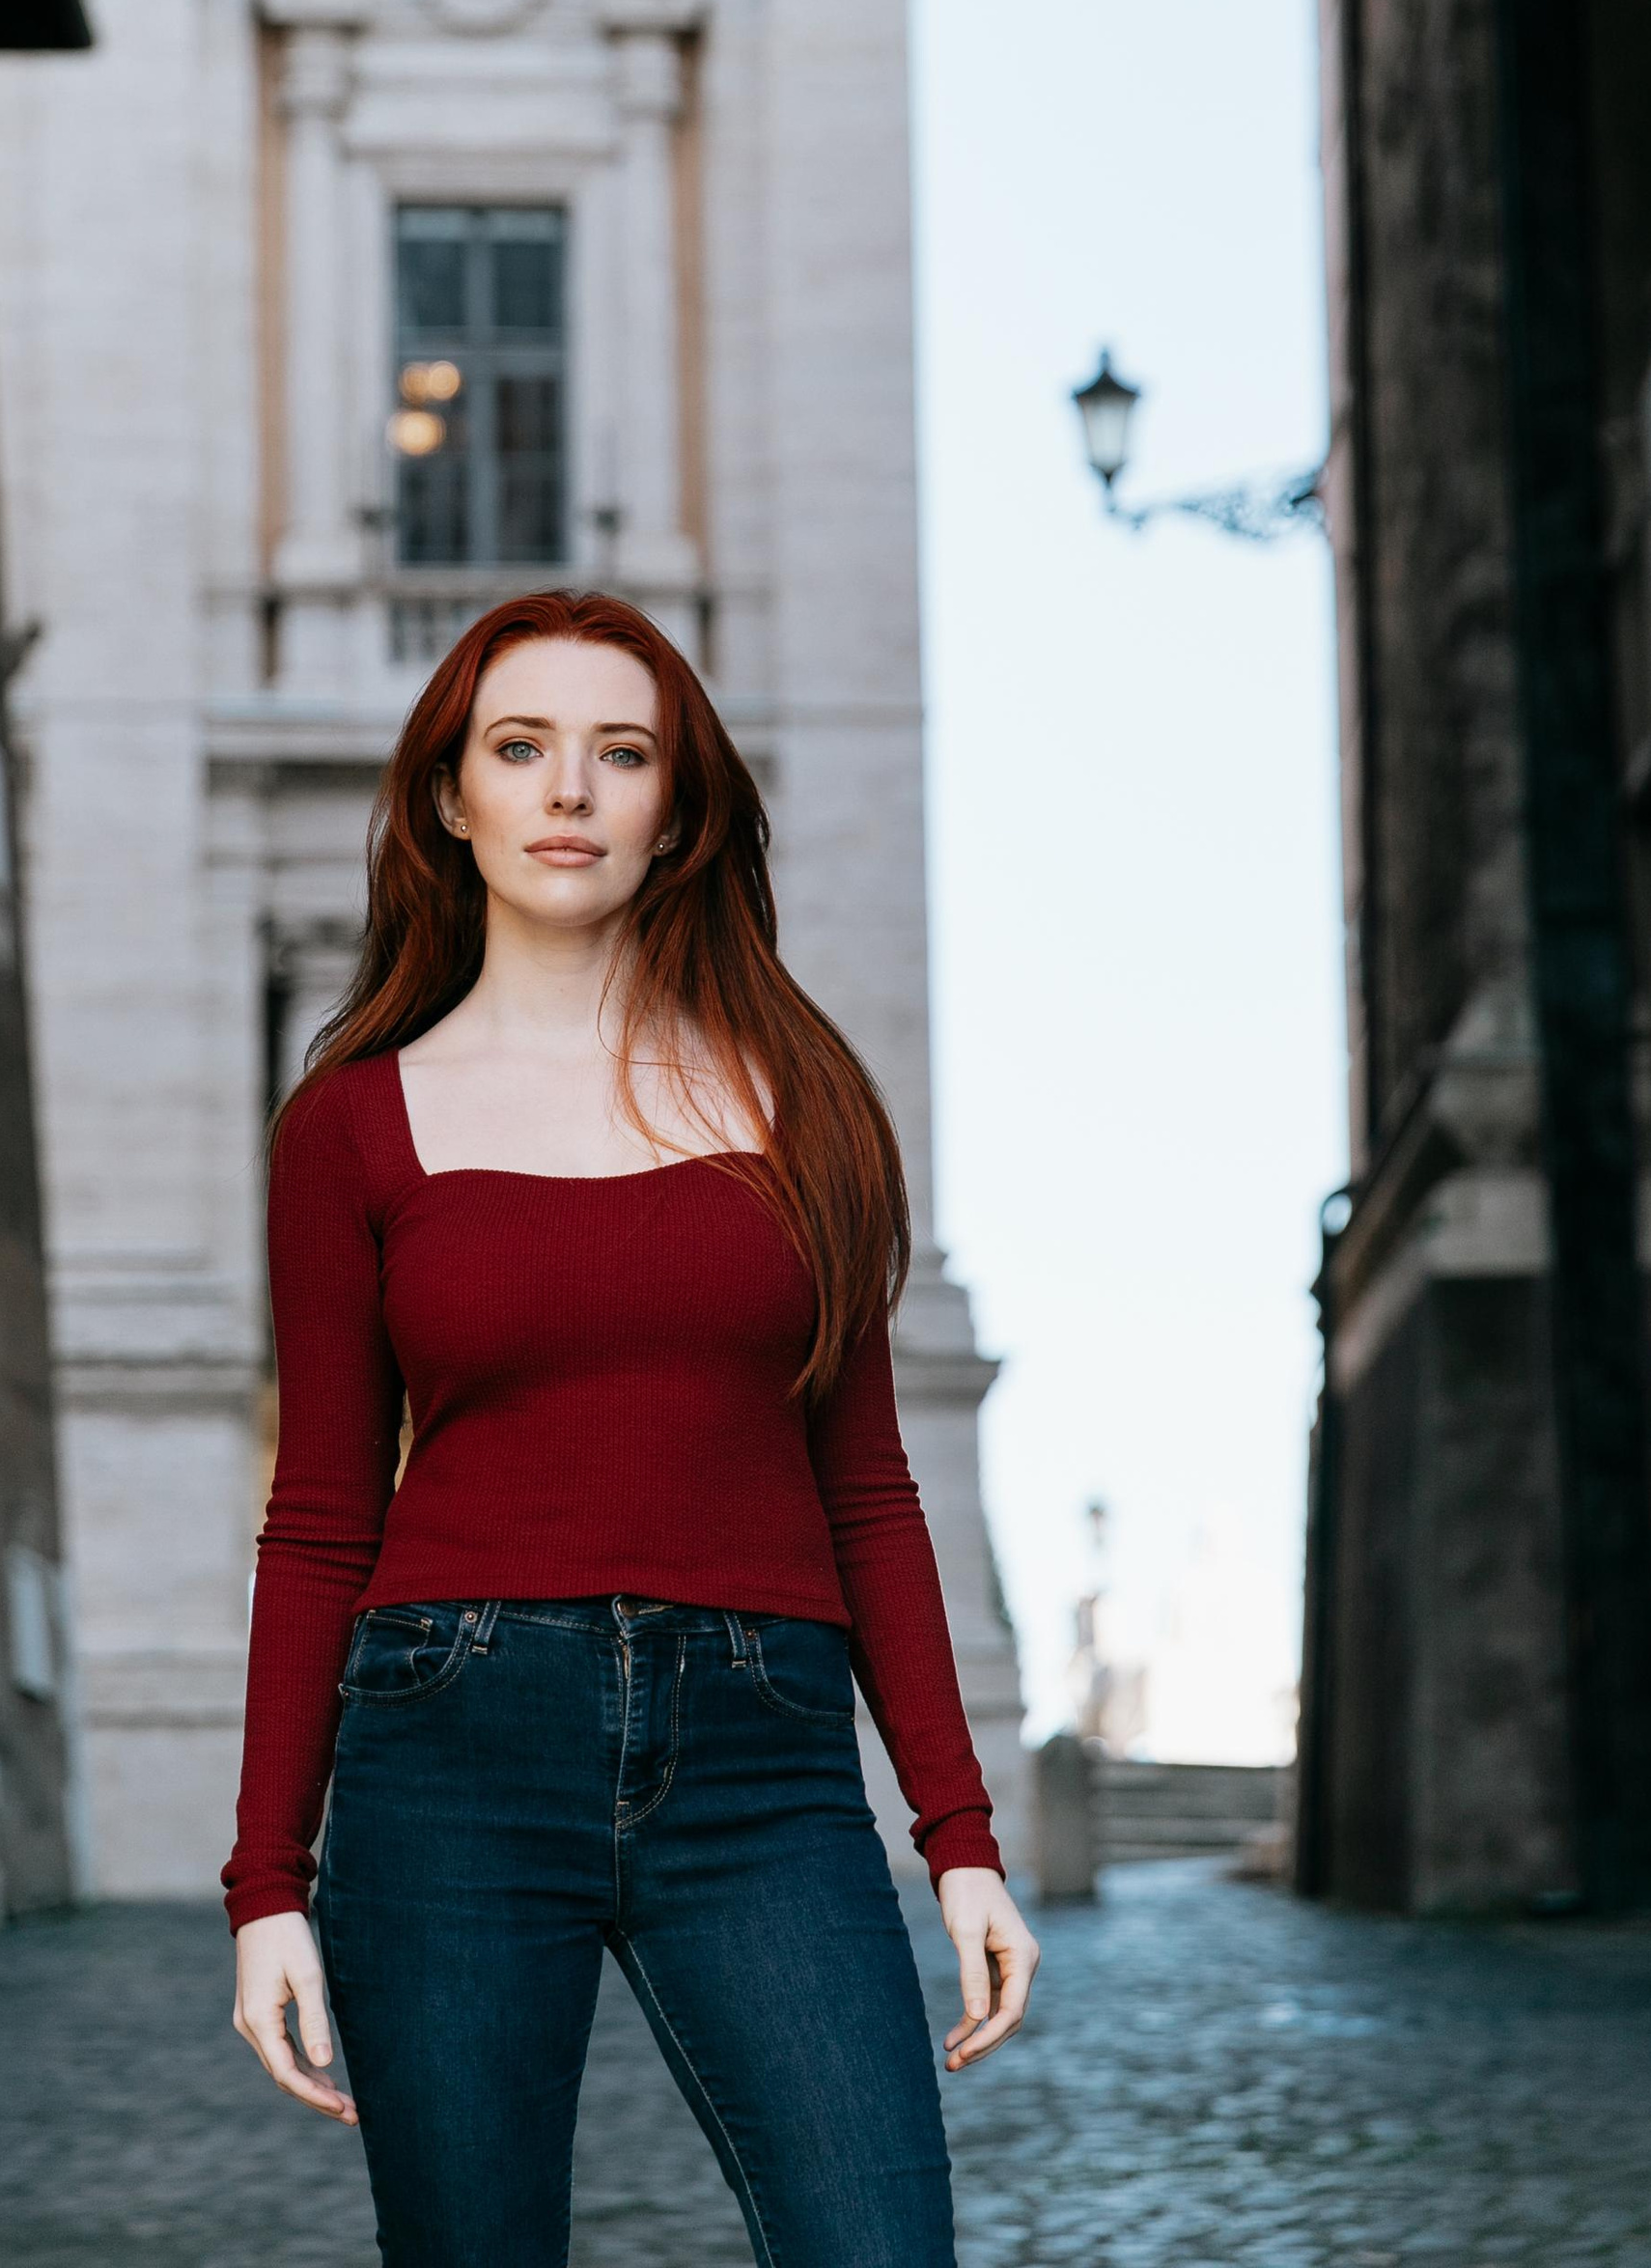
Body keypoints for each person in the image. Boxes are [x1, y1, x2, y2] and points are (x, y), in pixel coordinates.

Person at [225, 588, 1038, 2267]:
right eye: (521, 748)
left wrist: (958, 1838)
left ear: (677, 810)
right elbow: (320, 1518)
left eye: (623, 754)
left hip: (765, 1767)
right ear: (452, 798)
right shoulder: (351, 1128)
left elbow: (867, 1491)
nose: (570, 791)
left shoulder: (803, 1100)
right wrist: (266, 1882)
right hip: (450, 1752)